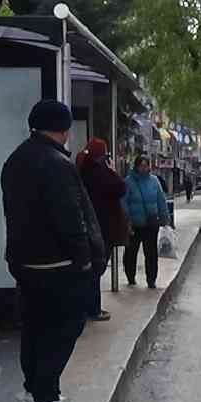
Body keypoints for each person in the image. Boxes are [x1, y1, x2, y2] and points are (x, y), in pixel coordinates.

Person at [1, 100, 104, 402]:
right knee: (63, 328)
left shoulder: (16, 159)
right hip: (58, 264)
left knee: (34, 328)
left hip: (25, 261)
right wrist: (84, 259)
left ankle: (33, 390)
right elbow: (70, 218)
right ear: (64, 127)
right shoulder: (57, 164)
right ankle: (45, 399)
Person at [77, 137, 128, 322]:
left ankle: (86, 308)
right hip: (102, 227)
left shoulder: (81, 169)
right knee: (96, 269)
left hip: (88, 226)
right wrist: (112, 170)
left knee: (90, 269)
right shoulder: (100, 172)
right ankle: (93, 309)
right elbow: (120, 188)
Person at [122, 156, 170, 289]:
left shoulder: (154, 181)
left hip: (151, 223)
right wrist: (127, 219)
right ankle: (130, 276)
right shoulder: (129, 182)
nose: (144, 168)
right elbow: (123, 202)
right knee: (131, 252)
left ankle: (151, 279)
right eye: (141, 166)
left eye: (146, 165)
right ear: (136, 167)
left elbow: (161, 199)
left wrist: (164, 217)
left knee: (151, 254)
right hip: (134, 224)